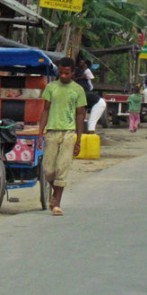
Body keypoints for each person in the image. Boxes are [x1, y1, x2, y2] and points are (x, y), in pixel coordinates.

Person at [38, 57, 87, 216]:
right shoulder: (51, 87)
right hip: (52, 131)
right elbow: (45, 110)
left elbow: (80, 115)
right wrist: (40, 131)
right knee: (48, 170)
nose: (64, 76)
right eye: (61, 73)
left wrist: (79, 140)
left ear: (72, 73)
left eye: (67, 73)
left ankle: (57, 203)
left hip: (69, 132)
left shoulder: (78, 90)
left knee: (62, 168)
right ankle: (55, 194)